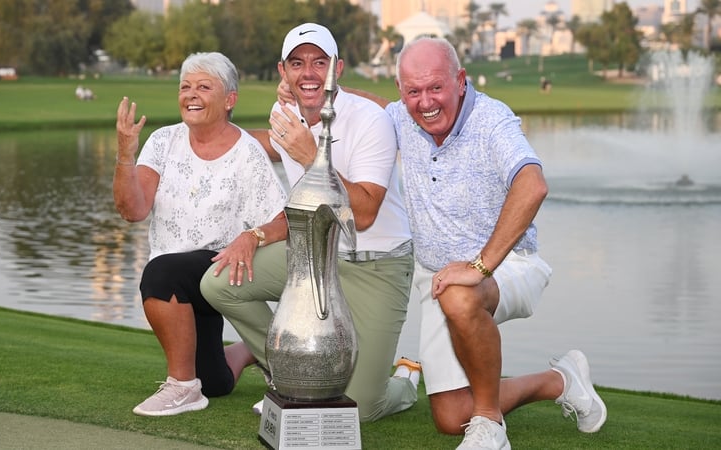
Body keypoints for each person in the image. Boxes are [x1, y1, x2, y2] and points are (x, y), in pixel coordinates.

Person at [381, 37, 606, 449]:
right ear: (401, 92)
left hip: (508, 265)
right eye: (413, 91)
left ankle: (490, 425)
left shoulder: (491, 119)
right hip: (438, 279)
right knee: (451, 417)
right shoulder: (400, 118)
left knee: (460, 297)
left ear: (460, 81)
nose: (425, 101)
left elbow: (532, 185)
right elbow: (357, 104)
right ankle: (558, 381)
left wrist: (479, 266)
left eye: (436, 87)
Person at [200, 23, 420, 423]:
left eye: (320, 62)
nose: (309, 73)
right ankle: (290, 375)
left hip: (378, 264)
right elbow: (305, 205)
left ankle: (405, 380)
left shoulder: (371, 120)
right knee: (218, 282)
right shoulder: (284, 116)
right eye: (298, 63)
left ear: (338, 67)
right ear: (282, 72)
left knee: (360, 410)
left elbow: (365, 213)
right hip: (316, 256)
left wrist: (309, 156)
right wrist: (255, 235)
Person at [113, 51, 287, 417]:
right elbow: (133, 210)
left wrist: (251, 236)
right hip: (182, 280)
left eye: (204, 87)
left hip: (223, 271)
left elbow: (283, 220)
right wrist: (125, 156)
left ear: (229, 100)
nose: (191, 94)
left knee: (161, 272)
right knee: (216, 381)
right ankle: (247, 351)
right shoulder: (163, 141)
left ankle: (182, 388)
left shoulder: (247, 153)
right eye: (185, 87)